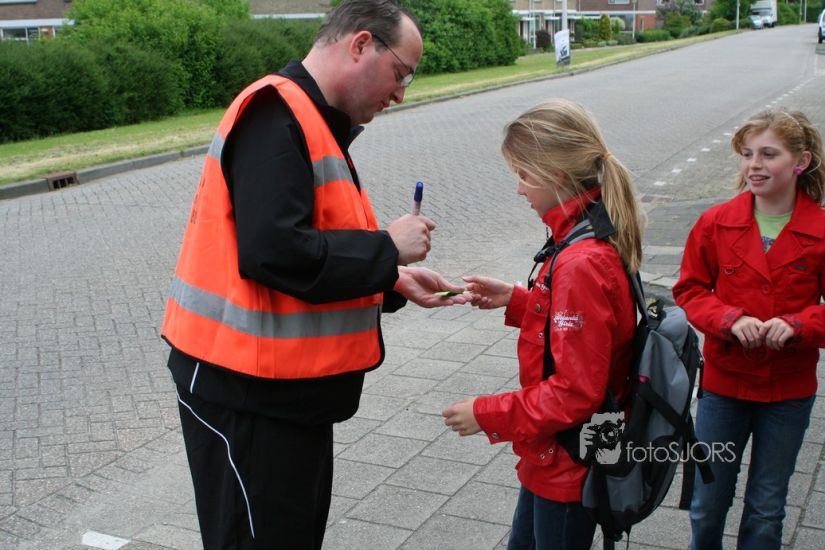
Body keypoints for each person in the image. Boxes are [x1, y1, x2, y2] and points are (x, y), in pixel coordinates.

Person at [160, 1, 469, 548]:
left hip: (280, 396)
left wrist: (391, 280)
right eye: (401, 73)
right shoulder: (275, 114)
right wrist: (386, 250)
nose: (400, 93)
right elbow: (275, 252)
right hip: (244, 397)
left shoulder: (313, 121)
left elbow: (311, 247)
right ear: (361, 44)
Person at [442, 99, 644, 550]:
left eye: (523, 175)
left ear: (556, 174)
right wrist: (518, 301)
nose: (519, 189)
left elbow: (576, 392)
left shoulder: (580, 260)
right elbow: (592, 329)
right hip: (558, 455)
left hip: (568, 463)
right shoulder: (588, 228)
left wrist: (485, 414)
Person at [673, 108, 825, 550]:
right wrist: (729, 319)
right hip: (725, 387)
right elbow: (690, 289)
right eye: (746, 154)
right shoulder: (716, 222)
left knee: (766, 507)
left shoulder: (820, 230)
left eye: (768, 154)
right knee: (706, 503)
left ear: (801, 161)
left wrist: (799, 323)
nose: (754, 165)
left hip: (788, 390)